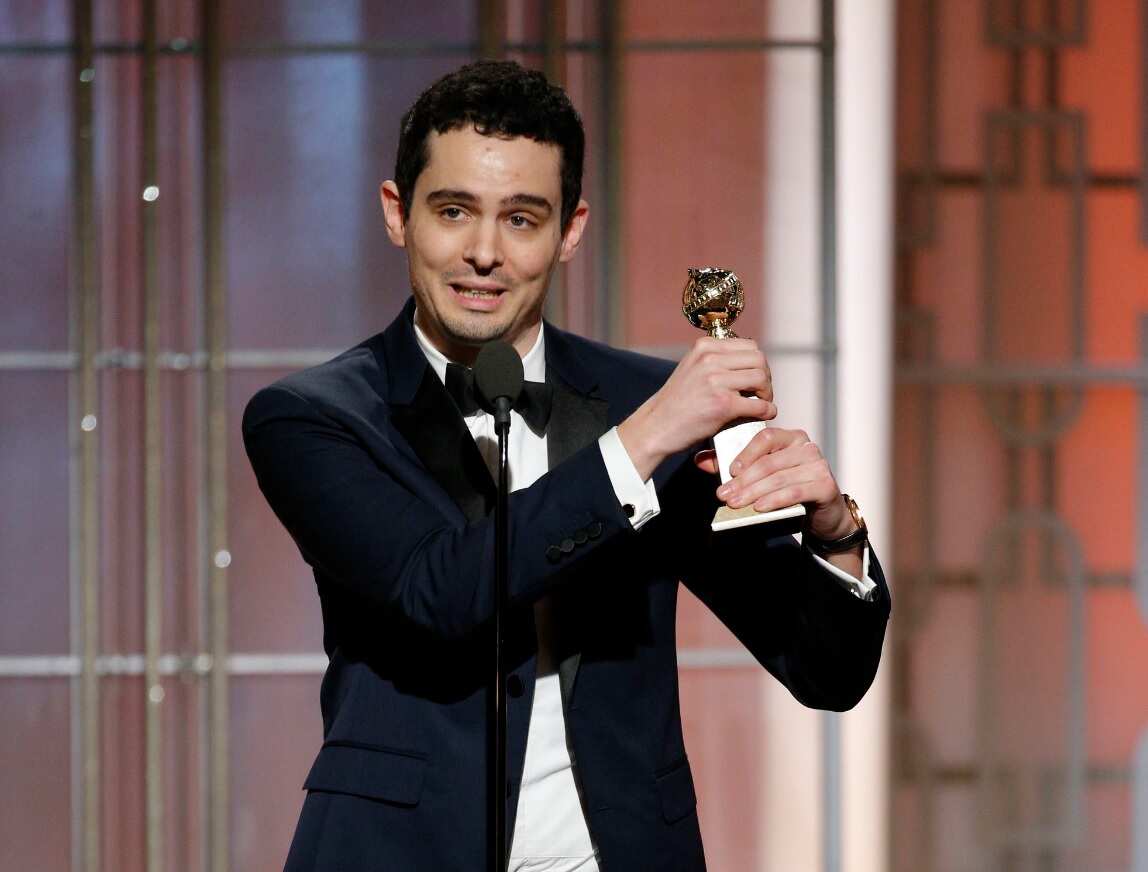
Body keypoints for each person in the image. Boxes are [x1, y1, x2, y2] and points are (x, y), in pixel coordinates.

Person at [243, 59, 890, 872]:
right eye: (453, 211)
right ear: (398, 213)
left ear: (570, 231)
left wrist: (835, 532)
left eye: (521, 219)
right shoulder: (314, 416)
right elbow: (439, 592)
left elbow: (826, 672)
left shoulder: (645, 402)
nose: (484, 252)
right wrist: (641, 442)